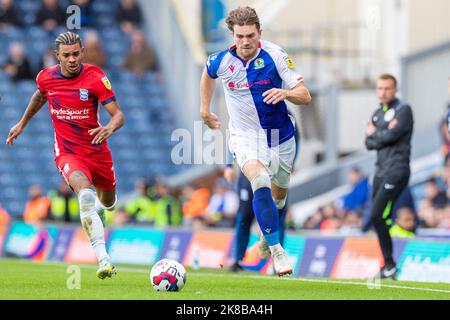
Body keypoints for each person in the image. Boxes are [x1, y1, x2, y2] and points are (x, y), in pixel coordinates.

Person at [200, 6, 311, 276]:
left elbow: (305, 95)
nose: (245, 42)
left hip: (280, 137)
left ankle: (265, 236)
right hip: (245, 137)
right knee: (258, 180)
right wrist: (204, 109)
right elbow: (207, 74)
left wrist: (285, 93)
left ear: (259, 32)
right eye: (239, 36)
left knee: (280, 198)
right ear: (232, 35)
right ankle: (277, 252)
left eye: (250, 35)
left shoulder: (276, 56)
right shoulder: (221, 61)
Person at [6, 31, 125, 280]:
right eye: (66, 55)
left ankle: (101, 211)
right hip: (68, 152)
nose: (72, 59)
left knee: (109, 203)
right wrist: (22, 123)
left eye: (75, 54)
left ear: (82, 52)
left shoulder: (95, 77)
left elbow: (118, 115)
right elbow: (40, 95)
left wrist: (109, 127)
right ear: (56, 56)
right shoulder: (46, 78)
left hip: (97, 150)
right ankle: (103, 259)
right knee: (85, 195)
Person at [365, 74, 414, 280]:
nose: (383, 92)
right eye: (380, 88)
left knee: (377, 215)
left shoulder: (404, 110)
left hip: (397, 170)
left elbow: (390, 137)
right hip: (380, 171)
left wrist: (374, 133)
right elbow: (368, 144)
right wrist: (379, 134)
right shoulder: (377, 114)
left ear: (395, 89)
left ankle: (390, 264)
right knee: (379, 218)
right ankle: (389, 266)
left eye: (387, 88)